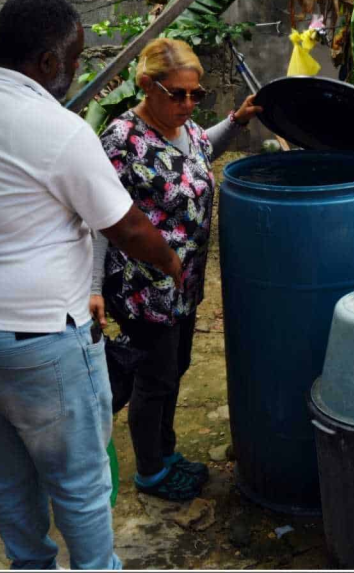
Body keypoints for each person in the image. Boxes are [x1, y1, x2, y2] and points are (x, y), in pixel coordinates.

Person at [0, 0, 182, 570]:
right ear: (46, 61)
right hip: (36, 337)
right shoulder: (55, 127)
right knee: (79, 480)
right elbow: (127, 227)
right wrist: (171, 262)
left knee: (8, 469)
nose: (76, 70)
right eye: (74, 58)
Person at [88, 39, 262, 502]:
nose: (188, 104)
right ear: (147, 85)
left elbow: (202, 149)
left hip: (184, 281)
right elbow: (100, 219)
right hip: (142, 285)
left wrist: (237, 120)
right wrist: (92, 286)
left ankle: (165, 452)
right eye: (178, 94)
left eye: (195, 95)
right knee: (155, 377)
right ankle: (151, 471)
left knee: (176, 365)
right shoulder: (122, 139)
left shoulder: (185, 128)